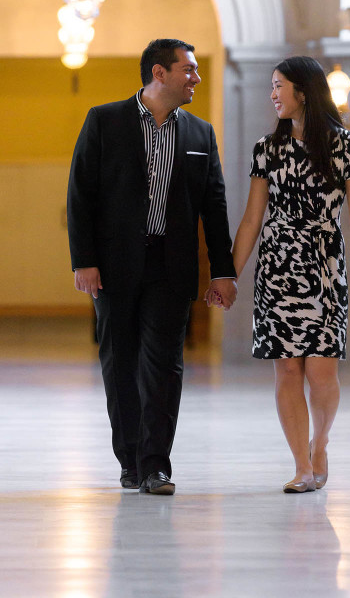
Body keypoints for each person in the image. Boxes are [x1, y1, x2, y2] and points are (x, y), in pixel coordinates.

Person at [67, 39, 237, 495]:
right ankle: (130, 460)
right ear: (159, 74)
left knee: (164, 365)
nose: (196, 78)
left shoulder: (201, 134)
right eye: (189, 70)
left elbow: (214, 208)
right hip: (113, 266)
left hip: (171, 265)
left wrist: (222, 270)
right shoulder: (106, 121)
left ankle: (156, 465)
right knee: (119, 361)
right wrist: (83, 261)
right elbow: (80, 194)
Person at [229, 55, 350, 493]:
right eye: (271, 86)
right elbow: (251, 219)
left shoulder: (346, 145)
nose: (273, 94)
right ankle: (300, 465)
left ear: (304, 90)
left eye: (279, 85)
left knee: (321, 373)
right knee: (287, 371)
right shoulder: (267, 149)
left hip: (324, 267)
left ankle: (320, 443)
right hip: (277, 268)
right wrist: (230, 275)